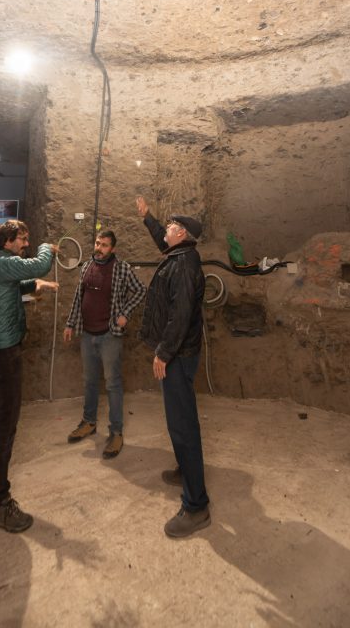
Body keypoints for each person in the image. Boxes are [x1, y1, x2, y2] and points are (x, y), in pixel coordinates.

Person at [0, 219, 59, 533]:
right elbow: (41, 264)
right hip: (6, 352)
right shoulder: (3, 262)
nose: (26, 244)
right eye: (23, 239)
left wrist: (37, 285)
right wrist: (47, 248)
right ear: (8, 240)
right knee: (6, 425)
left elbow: (14, 284)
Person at [136, 196, 211, 538]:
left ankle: (196, 506)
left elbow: (179, 316)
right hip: (180, 353)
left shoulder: (182, 266)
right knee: (179, 421)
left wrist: (164, 353)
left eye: (169, 226)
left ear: (181, 233)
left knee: (182, 425)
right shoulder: (181, 255)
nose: (165, 229)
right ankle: (185, 469)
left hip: (178, 356)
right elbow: (161, 241)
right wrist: (148, 218)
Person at [64, 230, 146, 458]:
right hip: (87, 333)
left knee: (112, 384)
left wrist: (125, 313)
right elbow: (78, 297)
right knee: (90, 381)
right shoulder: (86, 266)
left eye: (104, 245)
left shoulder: (121, 268)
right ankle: (89, 422)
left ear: (113, 249)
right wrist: (70, 324)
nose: (99, 248)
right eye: (98, 243)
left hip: (110, 334)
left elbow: (141, 290)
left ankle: (116, 432)